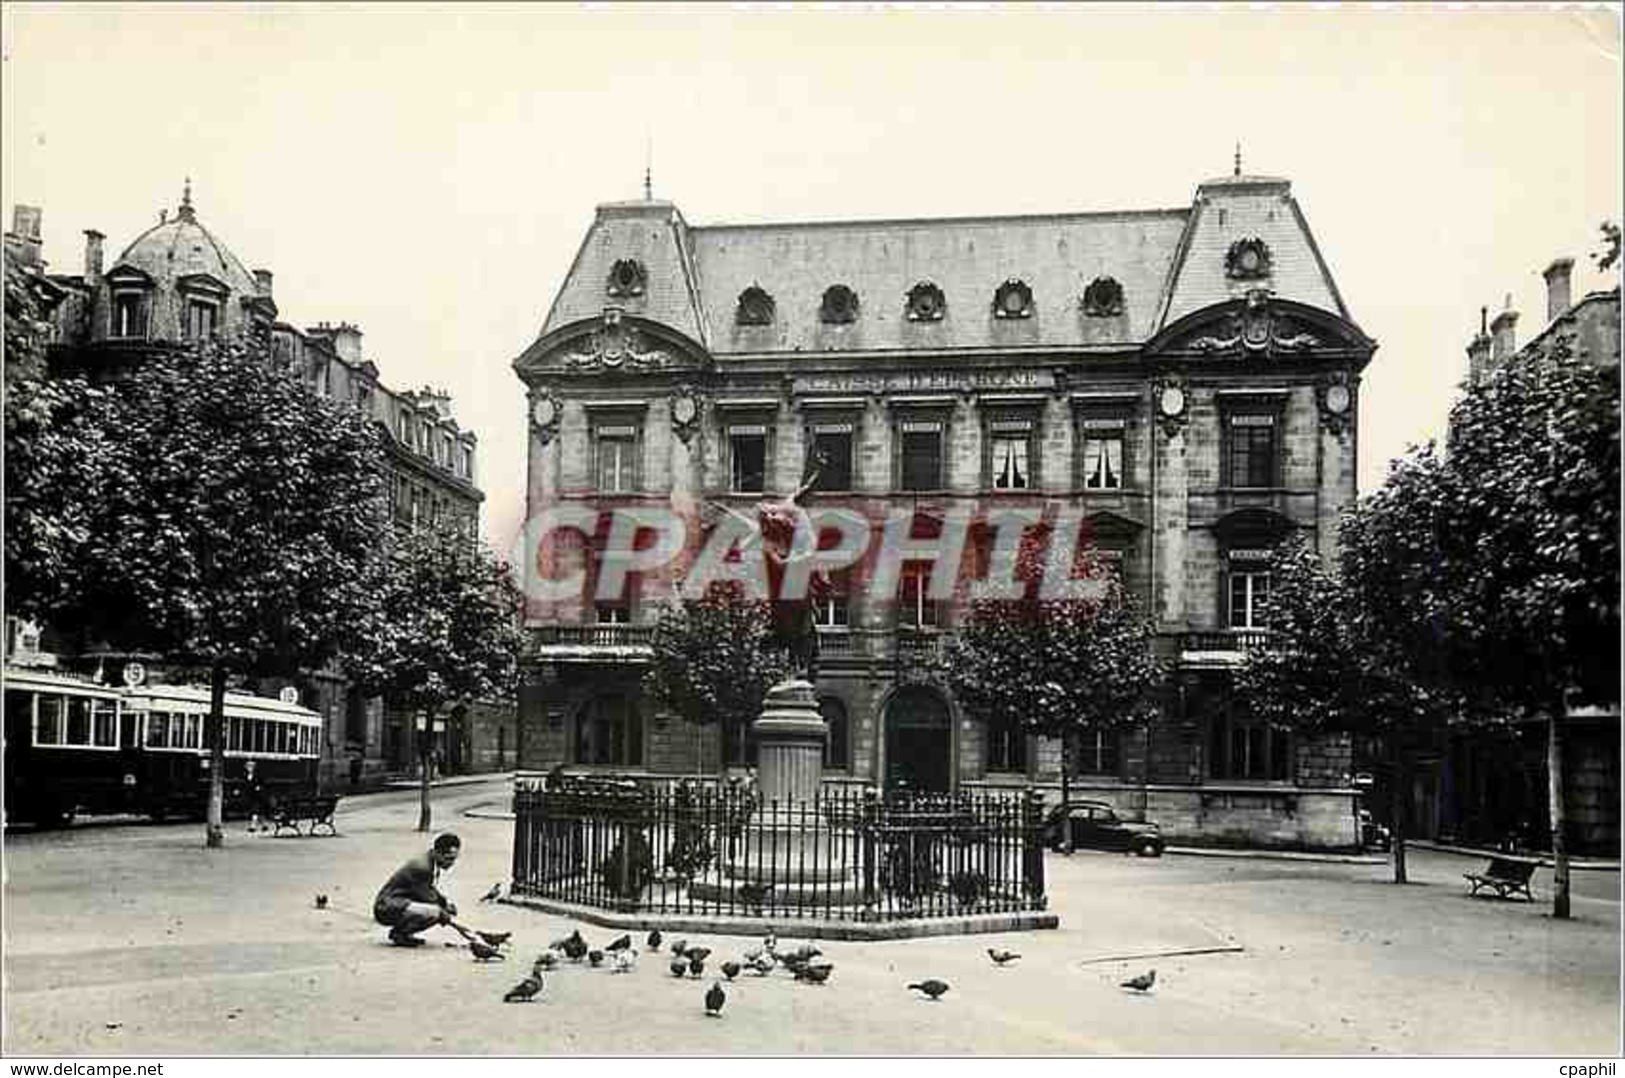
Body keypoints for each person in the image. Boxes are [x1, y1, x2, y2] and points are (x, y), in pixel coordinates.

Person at [373, 832, 462, 947]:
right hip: (387, 908)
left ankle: (402, 933)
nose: (452, 863)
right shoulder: (422, 867)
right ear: (437, 853)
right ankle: (400, 934)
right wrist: (445, 912)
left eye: (454, 859)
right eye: (448, 859)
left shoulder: (430, 860)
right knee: (435, 913)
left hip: (398, 902)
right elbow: (428, 898)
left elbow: (429, 888)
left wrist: (445, 903)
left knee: (438, 911)